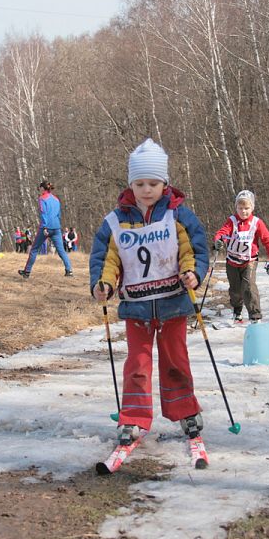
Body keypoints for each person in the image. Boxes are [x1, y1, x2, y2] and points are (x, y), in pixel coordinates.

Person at [89, 138, 210, 461]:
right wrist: (103, 284)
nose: (146, 190)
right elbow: (106, 258)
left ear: (164, 183)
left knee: (176, 362)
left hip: (172, 304)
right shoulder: (115, 221)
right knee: (138, 365)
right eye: (140, 183)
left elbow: (194, 249)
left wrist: (193, 272)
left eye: (153, 184)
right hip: (137, 308)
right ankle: (133, 418)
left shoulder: (177, 215)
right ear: (130, 183)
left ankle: (186, 411)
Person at [213, 190, 269, 323]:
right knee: (235, 290)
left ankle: (255, 316)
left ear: (252, 208)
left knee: (249, 287)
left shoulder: (257, 223)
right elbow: (223, 232)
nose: (243, 211)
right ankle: (237, 311)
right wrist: (219, 240)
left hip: (249, 261)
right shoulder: (232, 221)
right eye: (240, 208)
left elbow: (268, 241)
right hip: (232, 261)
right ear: (236, 207)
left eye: (246, 208)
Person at [18, 181, 73, 278]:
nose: (39, 190)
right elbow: (59, 215)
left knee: (34, 249)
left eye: (40, 188)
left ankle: (27, 272)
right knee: (61, 251)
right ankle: (69, 271)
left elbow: (44, 213)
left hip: (46, 227)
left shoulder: (42, 198)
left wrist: (45, 227)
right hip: (56, 227)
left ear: (43, 188)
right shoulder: (56, 199)